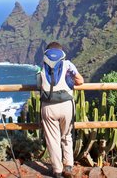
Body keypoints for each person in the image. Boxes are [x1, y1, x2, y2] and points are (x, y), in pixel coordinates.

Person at [37, 41, 84, 178]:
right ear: (61, 52)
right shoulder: (68, 64)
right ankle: (68, 166)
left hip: (48, 106)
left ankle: (57, 171)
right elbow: (80, 81)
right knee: (67, 135)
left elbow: (39, 85)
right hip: (66, 106)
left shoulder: (43, 67)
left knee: (52, 139)